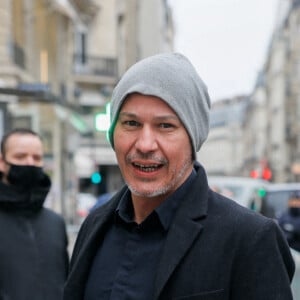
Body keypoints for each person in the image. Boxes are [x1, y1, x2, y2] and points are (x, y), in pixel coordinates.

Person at [64, 53, 295, 300]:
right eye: (131, 123)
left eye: (165, 126)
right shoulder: (94, 226)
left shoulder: (250, 239)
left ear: (192, 138)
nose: (145, 144)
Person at [0, 128, 69, 300]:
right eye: (20, 157)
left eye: (37, 158)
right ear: (2, 162)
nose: (29, 163)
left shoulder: (55, 223)